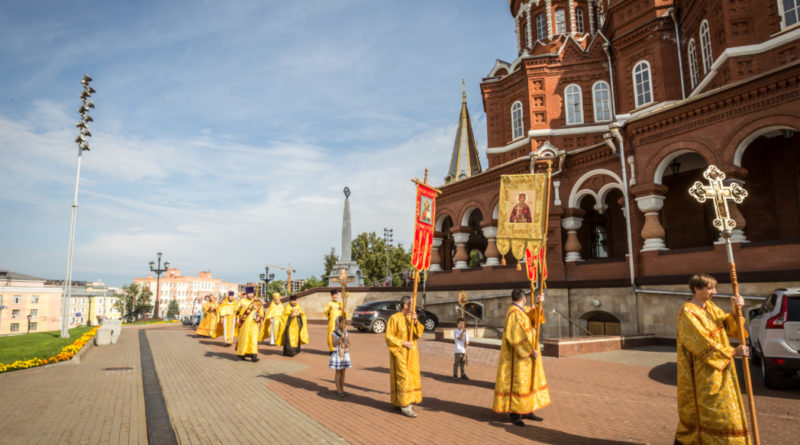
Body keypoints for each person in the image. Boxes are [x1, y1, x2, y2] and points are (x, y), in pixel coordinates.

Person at [675, 273, 750, 444]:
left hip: (721, 371)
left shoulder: (710, 307)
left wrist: (735, 310)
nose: (714, 292)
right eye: (710, 288)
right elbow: (700, 343)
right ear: (697, 289)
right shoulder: (688, 312)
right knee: (711, 413)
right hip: (702, 375)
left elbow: (728, 326)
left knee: (728, 411)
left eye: (715, 288)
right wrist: (733, 352)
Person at [493, 288, 550, 426]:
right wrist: (530, 351)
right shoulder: (514, 314)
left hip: (528, 357)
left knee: (529, 382)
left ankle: (527, 410)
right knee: (519, 384)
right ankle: (515, 414)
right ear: (524, 298)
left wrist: (539, 304)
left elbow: (534, 319)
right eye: (526, 299)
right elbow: (515, 336)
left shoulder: (521, 310)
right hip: (518, 358)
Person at [386, 295, 424, 418]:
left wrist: (416, 321)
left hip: (412, 354)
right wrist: (403, 343)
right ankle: (405, 405)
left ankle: (401, 401)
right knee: (403, 377)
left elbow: (418, 334)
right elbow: (389, 337)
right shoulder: (394, 318)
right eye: (412, 306)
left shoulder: (411, 319)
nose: (414, 309)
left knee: (411, 377)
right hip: (400, 353)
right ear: (406, 306)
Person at [235, 287, 263, 362]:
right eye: (249, 293)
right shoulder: (242, 301)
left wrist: (259, 318)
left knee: (253, 339)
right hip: (244, 324)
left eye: (252, 293)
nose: (251, 295)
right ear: (247, 294)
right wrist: (239, 308)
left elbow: (261, 311)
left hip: (254, 324)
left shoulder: (257, 301)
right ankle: (242, 354)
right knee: (244, 338)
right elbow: (235, 311)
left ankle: (253, 355)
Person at [329, 315, 351, 396]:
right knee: (338, 372)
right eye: (342, 323)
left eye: (345, 323)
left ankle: (342, 388)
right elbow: (334, 344)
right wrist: (340, 338)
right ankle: (338, 389)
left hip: (344, 354)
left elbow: (349, 343)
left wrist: (346, 345)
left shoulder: (345, 332)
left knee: (343, 372)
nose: (344, 325)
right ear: (338, 324)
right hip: (338, 355)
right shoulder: (334, 333)